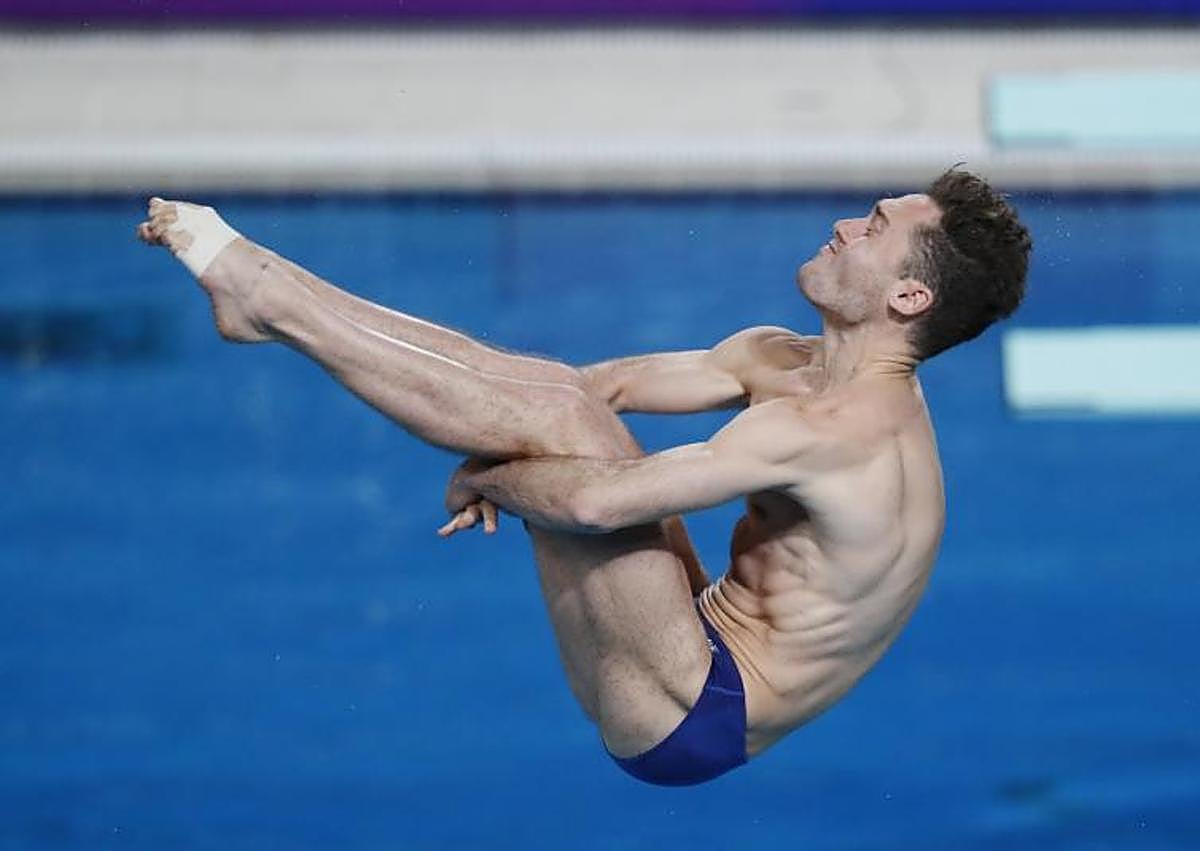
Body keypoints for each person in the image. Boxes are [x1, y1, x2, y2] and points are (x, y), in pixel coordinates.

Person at [136, 168, 1031, 786]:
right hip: (688, 638)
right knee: (564, 398)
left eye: (874, 229)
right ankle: (267, 298)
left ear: (909, 298)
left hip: (692, 710)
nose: (844, 223)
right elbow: (603, 387)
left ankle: (265, 294)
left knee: (561, 430)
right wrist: (500, 442)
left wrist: (492, 475)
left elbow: (596, 502)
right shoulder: (787, 360)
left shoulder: (839, 431)